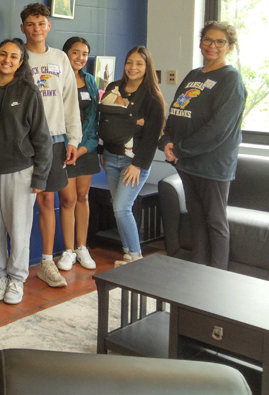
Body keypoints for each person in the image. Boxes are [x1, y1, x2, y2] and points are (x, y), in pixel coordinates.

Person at [160, 21, 245, 270]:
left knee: (215, 223)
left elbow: (218, 130)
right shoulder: (194, 75)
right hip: (188, 164)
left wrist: (178, 150)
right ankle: (198, 274)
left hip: (213, 165)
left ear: (229, 47)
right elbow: (176, 113)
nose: (212, 45)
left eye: (220, 41)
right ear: (200, 43)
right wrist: (165, 141)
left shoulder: (231, 79)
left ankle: (216, 280)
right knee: (196, 221)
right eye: (208, 40)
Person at [0, 39, 52, 304]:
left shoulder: (28, 92)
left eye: (13, 56)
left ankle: (17, 279)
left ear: (21, 62)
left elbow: (42, 137)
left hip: (21, 171)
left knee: (19, 230)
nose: (7, 60)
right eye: (2, 54)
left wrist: (40, 176)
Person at [19, 3, 81, 287]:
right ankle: (16, 266)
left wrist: (73, 139)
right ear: (23, 28)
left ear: (48, 26)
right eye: (31, 24)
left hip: (55, 139)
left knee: (47, 200)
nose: (36, 29)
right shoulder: (17, 57)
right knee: (18, 204)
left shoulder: (60, 58)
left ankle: (46, 262)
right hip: (23, 142)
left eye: (41, 23)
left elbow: (70, 100)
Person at [97, 46, 164, 266]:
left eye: (139, 63)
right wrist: (101, 152)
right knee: (119, 207)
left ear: (147, 67)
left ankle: (136, 257)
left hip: (133, 163)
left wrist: (137, 164)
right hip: (110, 156)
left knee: (121, 207)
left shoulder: (152, 96)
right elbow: (104, 122)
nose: (133, 67)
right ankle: (127, 252)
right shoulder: (114, 87)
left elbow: (152, 137)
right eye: (129, 62)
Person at [61, 37, 99, 270]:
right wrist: (68, 145)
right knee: (68, 199)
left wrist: (82, 147)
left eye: (84, 54)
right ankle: (67, 251)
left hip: (85, 148)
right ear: (65, 54)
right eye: (75, 52)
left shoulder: (90, 81)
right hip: (64, 149)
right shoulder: (58, 79)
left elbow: (93, 118)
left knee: (83, 198)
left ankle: (81, 247)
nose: (80, 58)